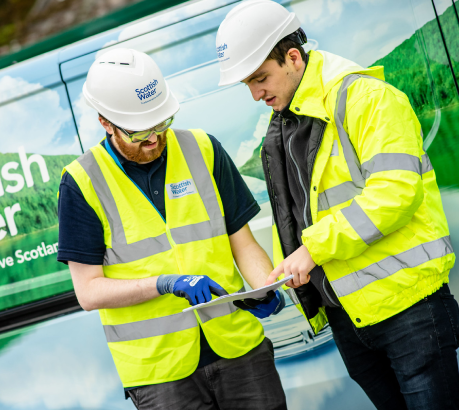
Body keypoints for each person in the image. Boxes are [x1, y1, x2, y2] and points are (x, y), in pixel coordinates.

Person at [215, 1, 459, 409]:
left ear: (293, 57)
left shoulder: (368, 97)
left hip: (408, 308)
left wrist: (312, 250)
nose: (255, 93)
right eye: (247, 84)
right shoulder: (285, 124)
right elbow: (299, 213)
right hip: (347, 316)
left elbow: (395, 192)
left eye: (260, 78)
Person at [57, 48, 287, 410]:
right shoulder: (81, 182)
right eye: (139, 131)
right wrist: (165, 283)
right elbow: (88, 292)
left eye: (161, 122)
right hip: (160, 373)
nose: (153, 138)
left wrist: (264, 287)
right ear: (105, 122)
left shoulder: (203, 148)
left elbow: (241, 243)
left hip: (239, 349)